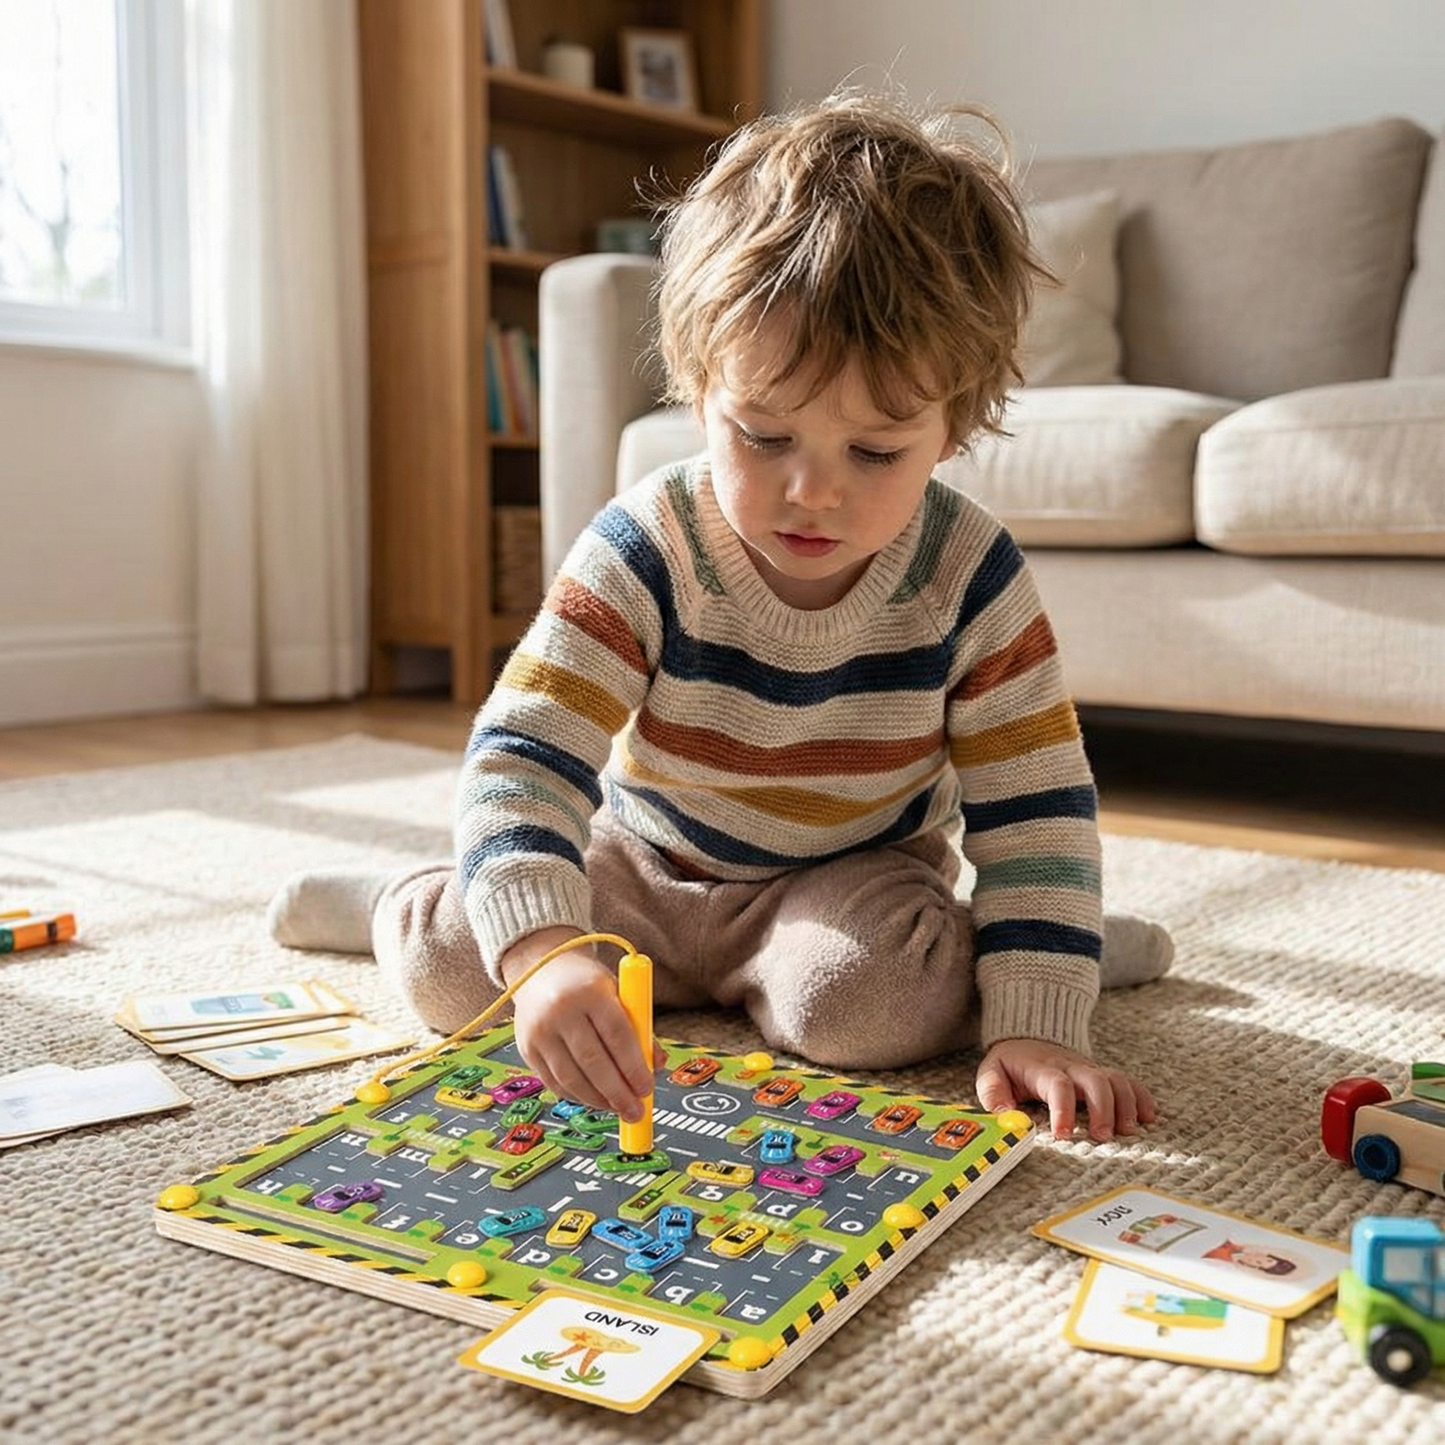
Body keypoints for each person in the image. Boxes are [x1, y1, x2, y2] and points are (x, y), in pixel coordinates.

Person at [269, 92, 1172, 1141]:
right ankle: (388, 896)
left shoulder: (968, 573)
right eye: (761, 437)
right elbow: (524, 750)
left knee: (869, 1004)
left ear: (952, 429)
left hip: (844, 882)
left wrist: (1042, 1022)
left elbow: (1035, 809)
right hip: (642, 865)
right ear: (698, 393)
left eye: (874, 453)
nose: (812, 493)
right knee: (449, 963)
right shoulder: (647, 543)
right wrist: (543, 955)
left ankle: (1059, 947)